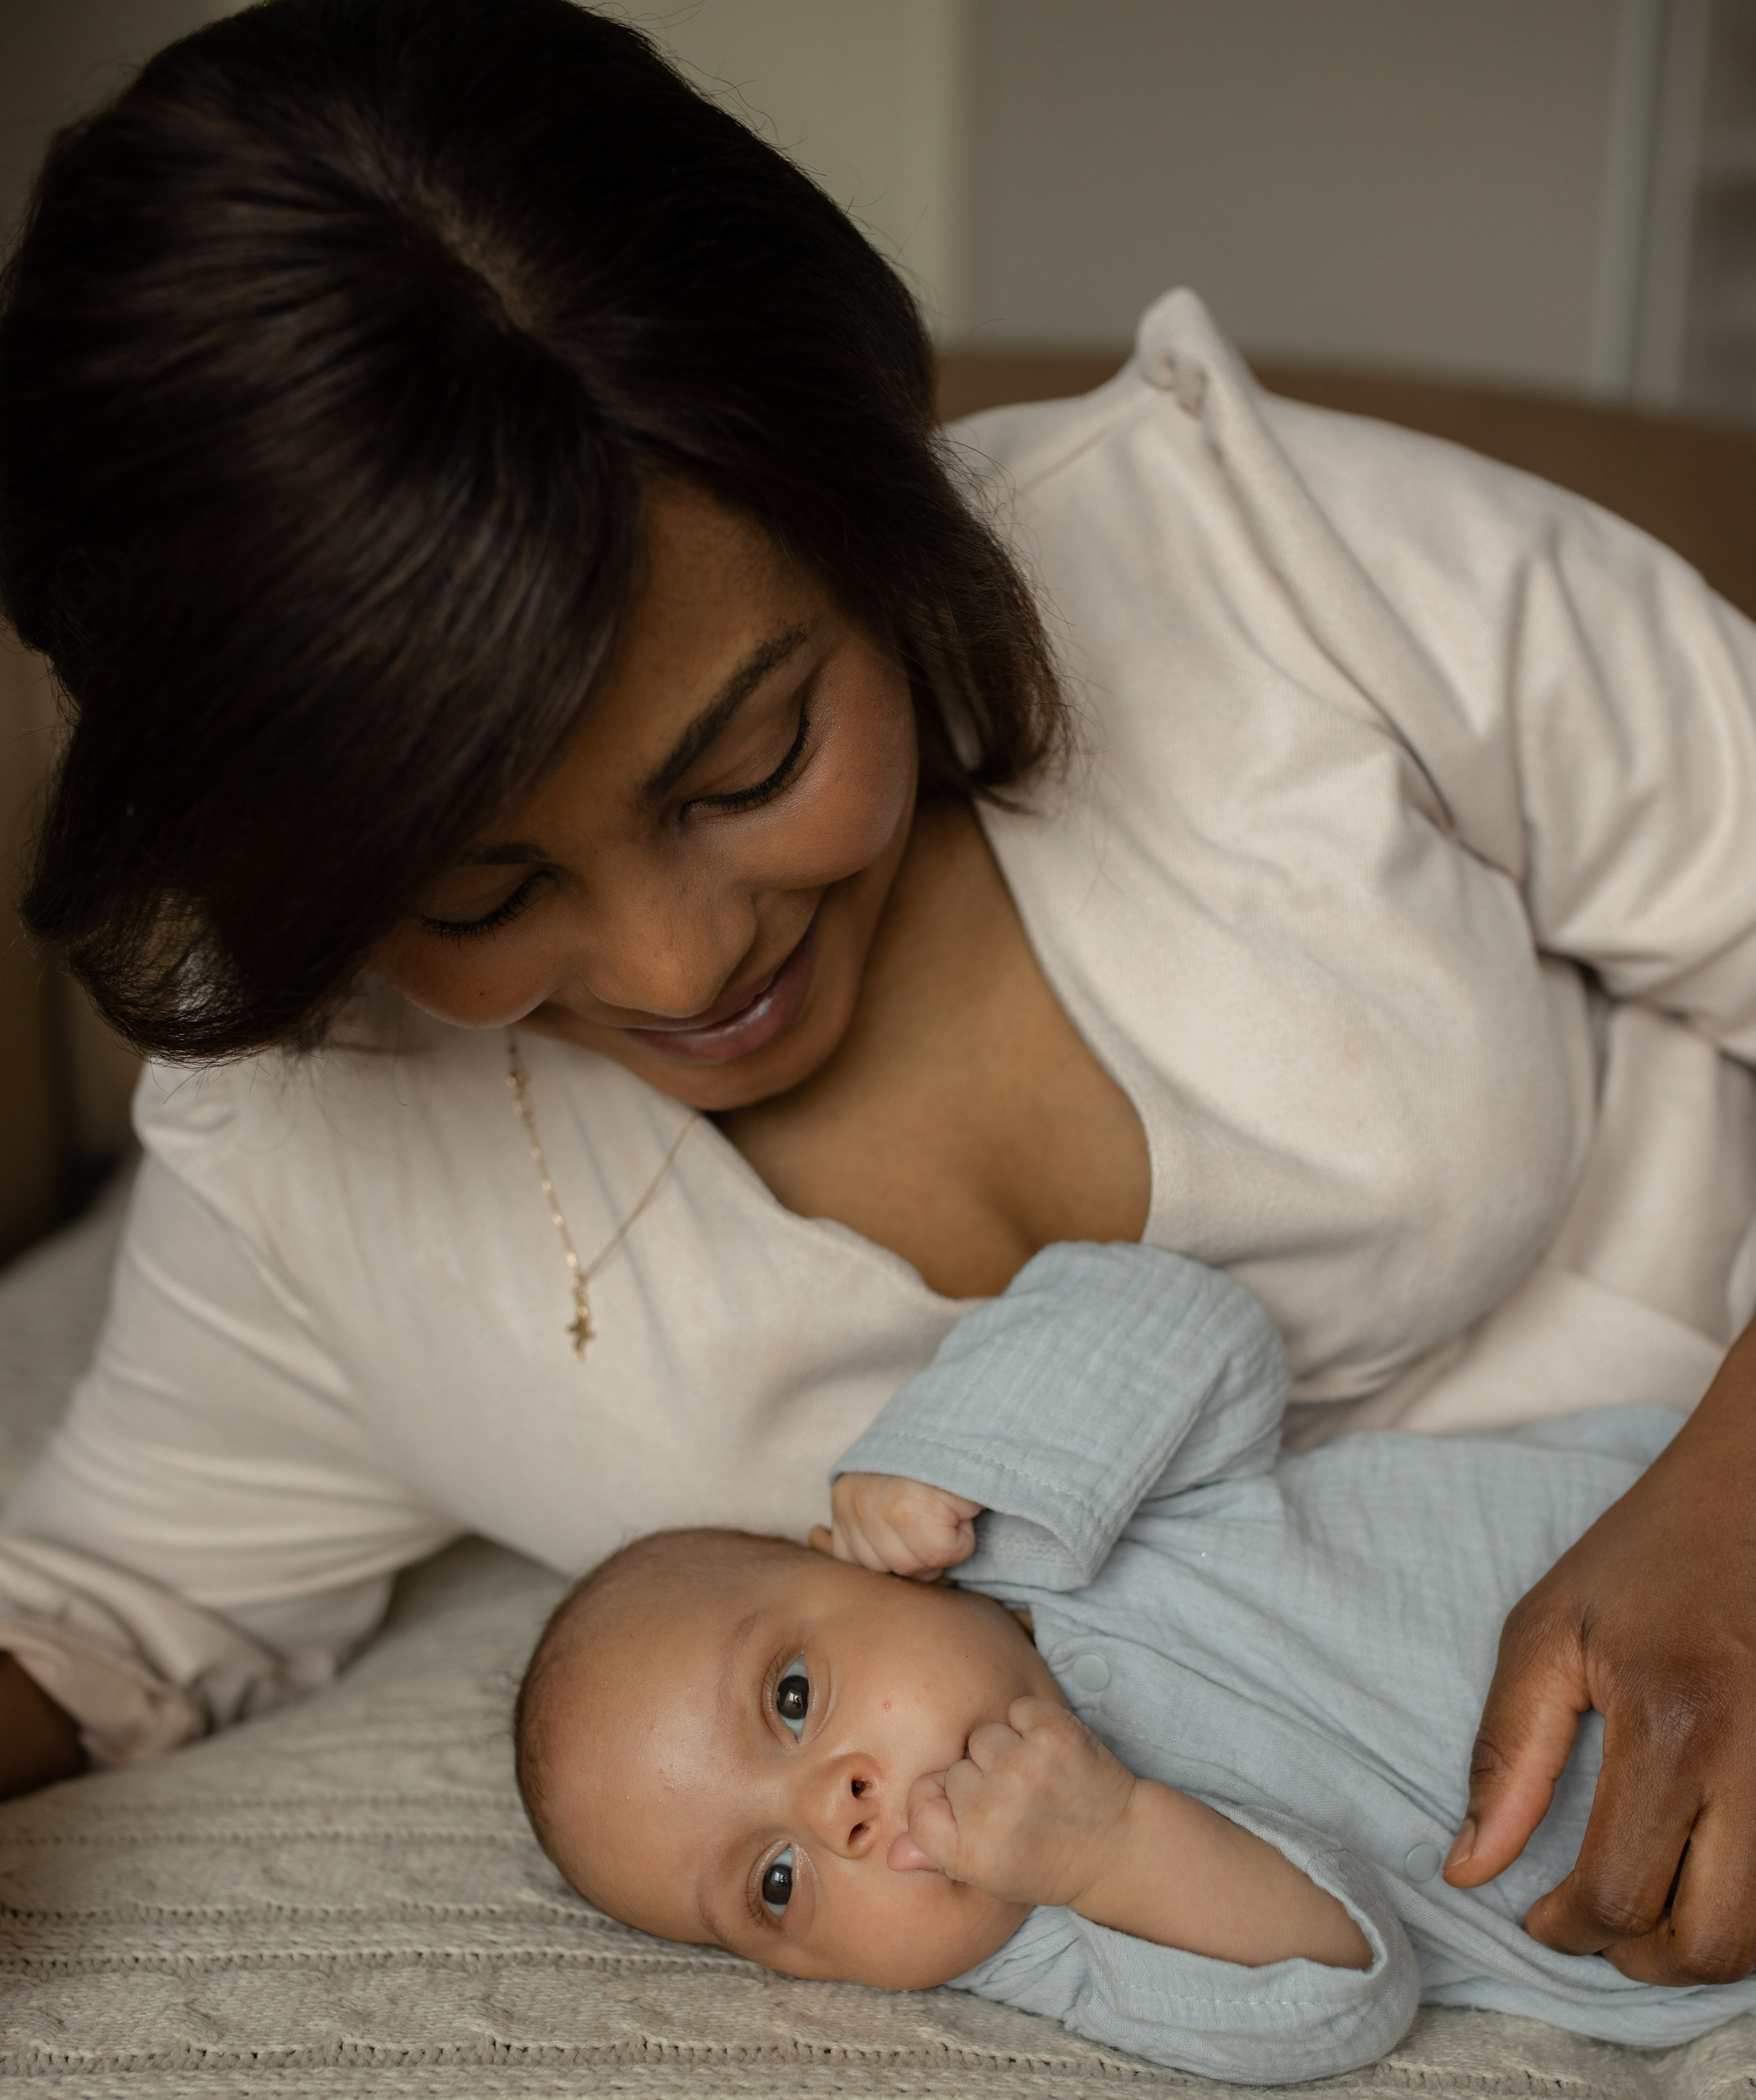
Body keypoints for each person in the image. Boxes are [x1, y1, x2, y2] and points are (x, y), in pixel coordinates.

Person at [1, 0, 1755, 1991]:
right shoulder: (311, 1150)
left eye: (746, 768)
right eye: (481, 898)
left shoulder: (1257, 565)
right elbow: (107, 1615)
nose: (683, 966)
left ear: (871, 497)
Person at [512, 1242, 1756, 2084]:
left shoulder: (1049, 1528)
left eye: (792, 1698)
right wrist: (1112, 1853)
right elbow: (1344, 1996)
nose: (829, 1813)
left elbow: (1188, 1321)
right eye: (773, 1887)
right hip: (1694, 1889)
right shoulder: (1050, 1941)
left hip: (1678, 1551)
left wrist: (947, 1454)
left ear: (844, 1563)